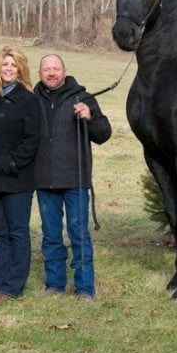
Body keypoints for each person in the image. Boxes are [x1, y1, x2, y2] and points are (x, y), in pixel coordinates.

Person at [34, 54, 111, 299]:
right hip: (45, 179)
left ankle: (84, 288)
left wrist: (90, 117)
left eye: (56, 68)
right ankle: (55, 284)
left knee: (78, 232)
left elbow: (104, 133)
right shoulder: (32, 99)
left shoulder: (82, 97)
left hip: (75, 179)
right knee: (51, 235)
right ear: (40, 73)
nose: (51, 73)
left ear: (65, 71)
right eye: (47, 69)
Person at [0, 47, 40, 302]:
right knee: (0, 233)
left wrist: (13, 163)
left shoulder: (29, 100)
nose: (9, 69)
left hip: (17, 178)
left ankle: (13, 286)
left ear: (21, 69)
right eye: (5, 65)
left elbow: (32, 138)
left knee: (18, 232)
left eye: (14, 65)